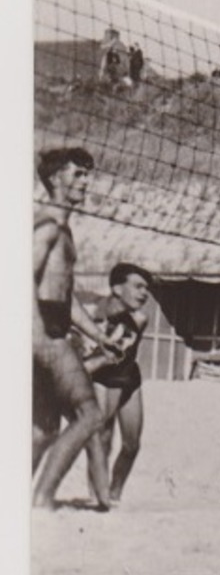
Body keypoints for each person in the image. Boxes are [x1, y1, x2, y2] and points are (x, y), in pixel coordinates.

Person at [33, 147, 117, 510]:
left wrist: (98, 336)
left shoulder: (62, 229)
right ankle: (42, 498)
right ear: (55, 179)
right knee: (90, 415)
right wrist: (35, 335)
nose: (85, 182)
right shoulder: (47, 225)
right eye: (78, 175)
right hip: (41, 332)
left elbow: (64, 297)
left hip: (48, 326)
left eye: (87, 175)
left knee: (45, 430)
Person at [86, 263, 155, 503]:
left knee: (132, 445)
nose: (144, 293)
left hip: (128, 379)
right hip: (101, 378)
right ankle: (98, 496)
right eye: (137, 286)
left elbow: (127, 353)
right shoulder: (93, 315)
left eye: (147, 288)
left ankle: (115, 493)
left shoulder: (140, 319)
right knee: (102, 439)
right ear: (116, 288)